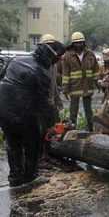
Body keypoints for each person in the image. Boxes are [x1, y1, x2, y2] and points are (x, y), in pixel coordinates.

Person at [0, 40, 66, 187]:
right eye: (59, 57)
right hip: (23, 114)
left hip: (3, 111)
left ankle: (15, 177)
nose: (59, 61)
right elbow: (44, 104)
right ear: (51, 55)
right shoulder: (40, 72)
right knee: (33, 143)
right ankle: (30, 176)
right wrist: (52, 125)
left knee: (12, 144)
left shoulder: (15, 60)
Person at [62, 32, 99, 131]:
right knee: (73, 112)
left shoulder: (90, 54)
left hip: (87, 86)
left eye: (80, 42)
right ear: (73, 44)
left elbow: (95, 70)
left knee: (89, 111)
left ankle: (91, 130)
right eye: (76, 43)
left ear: (84, 42)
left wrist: (98, 83)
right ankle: (72, 131)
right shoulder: (68, 56)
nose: (79, 44)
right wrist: (65, 89)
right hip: (75, 87)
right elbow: (65, 74)